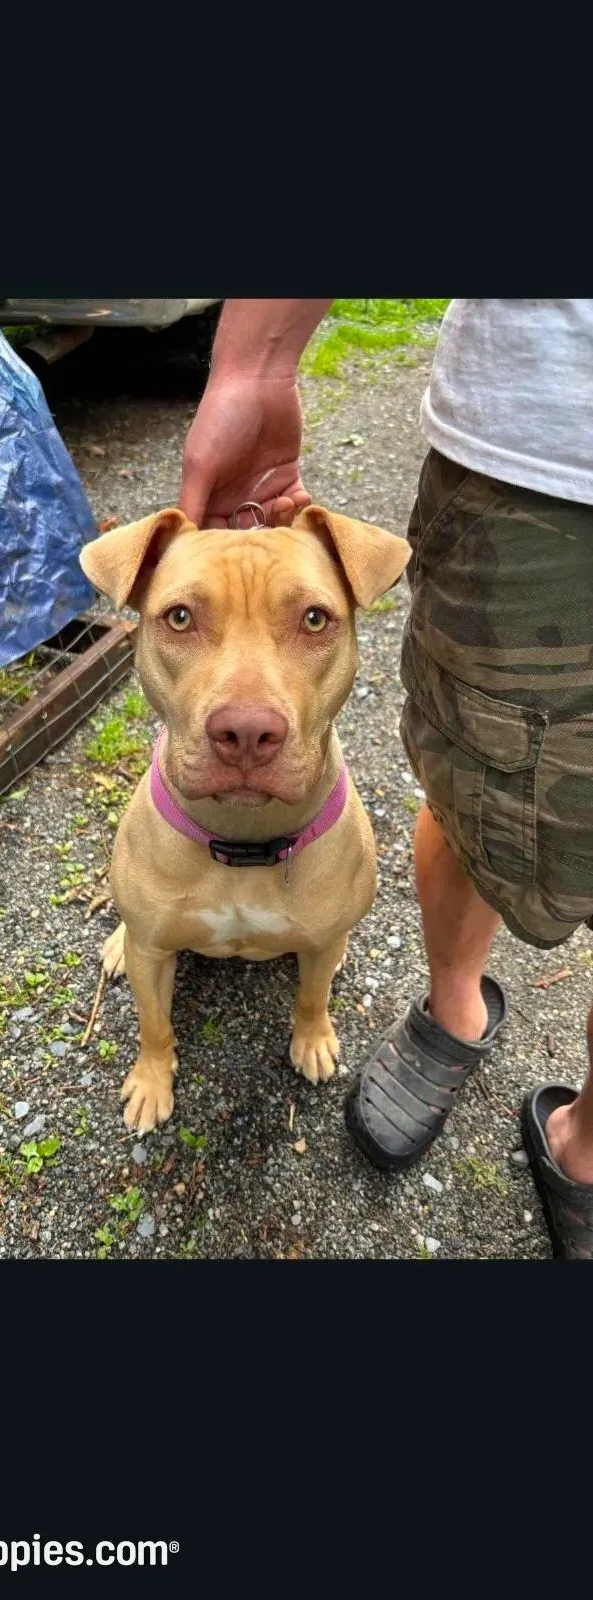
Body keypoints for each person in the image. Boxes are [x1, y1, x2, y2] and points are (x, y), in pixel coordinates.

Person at [179, 297, 593, 1260]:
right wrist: (255, 363)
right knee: (479, 788)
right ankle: (455, 1006)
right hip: (549, 457)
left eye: (315, 623)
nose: (247, 713)